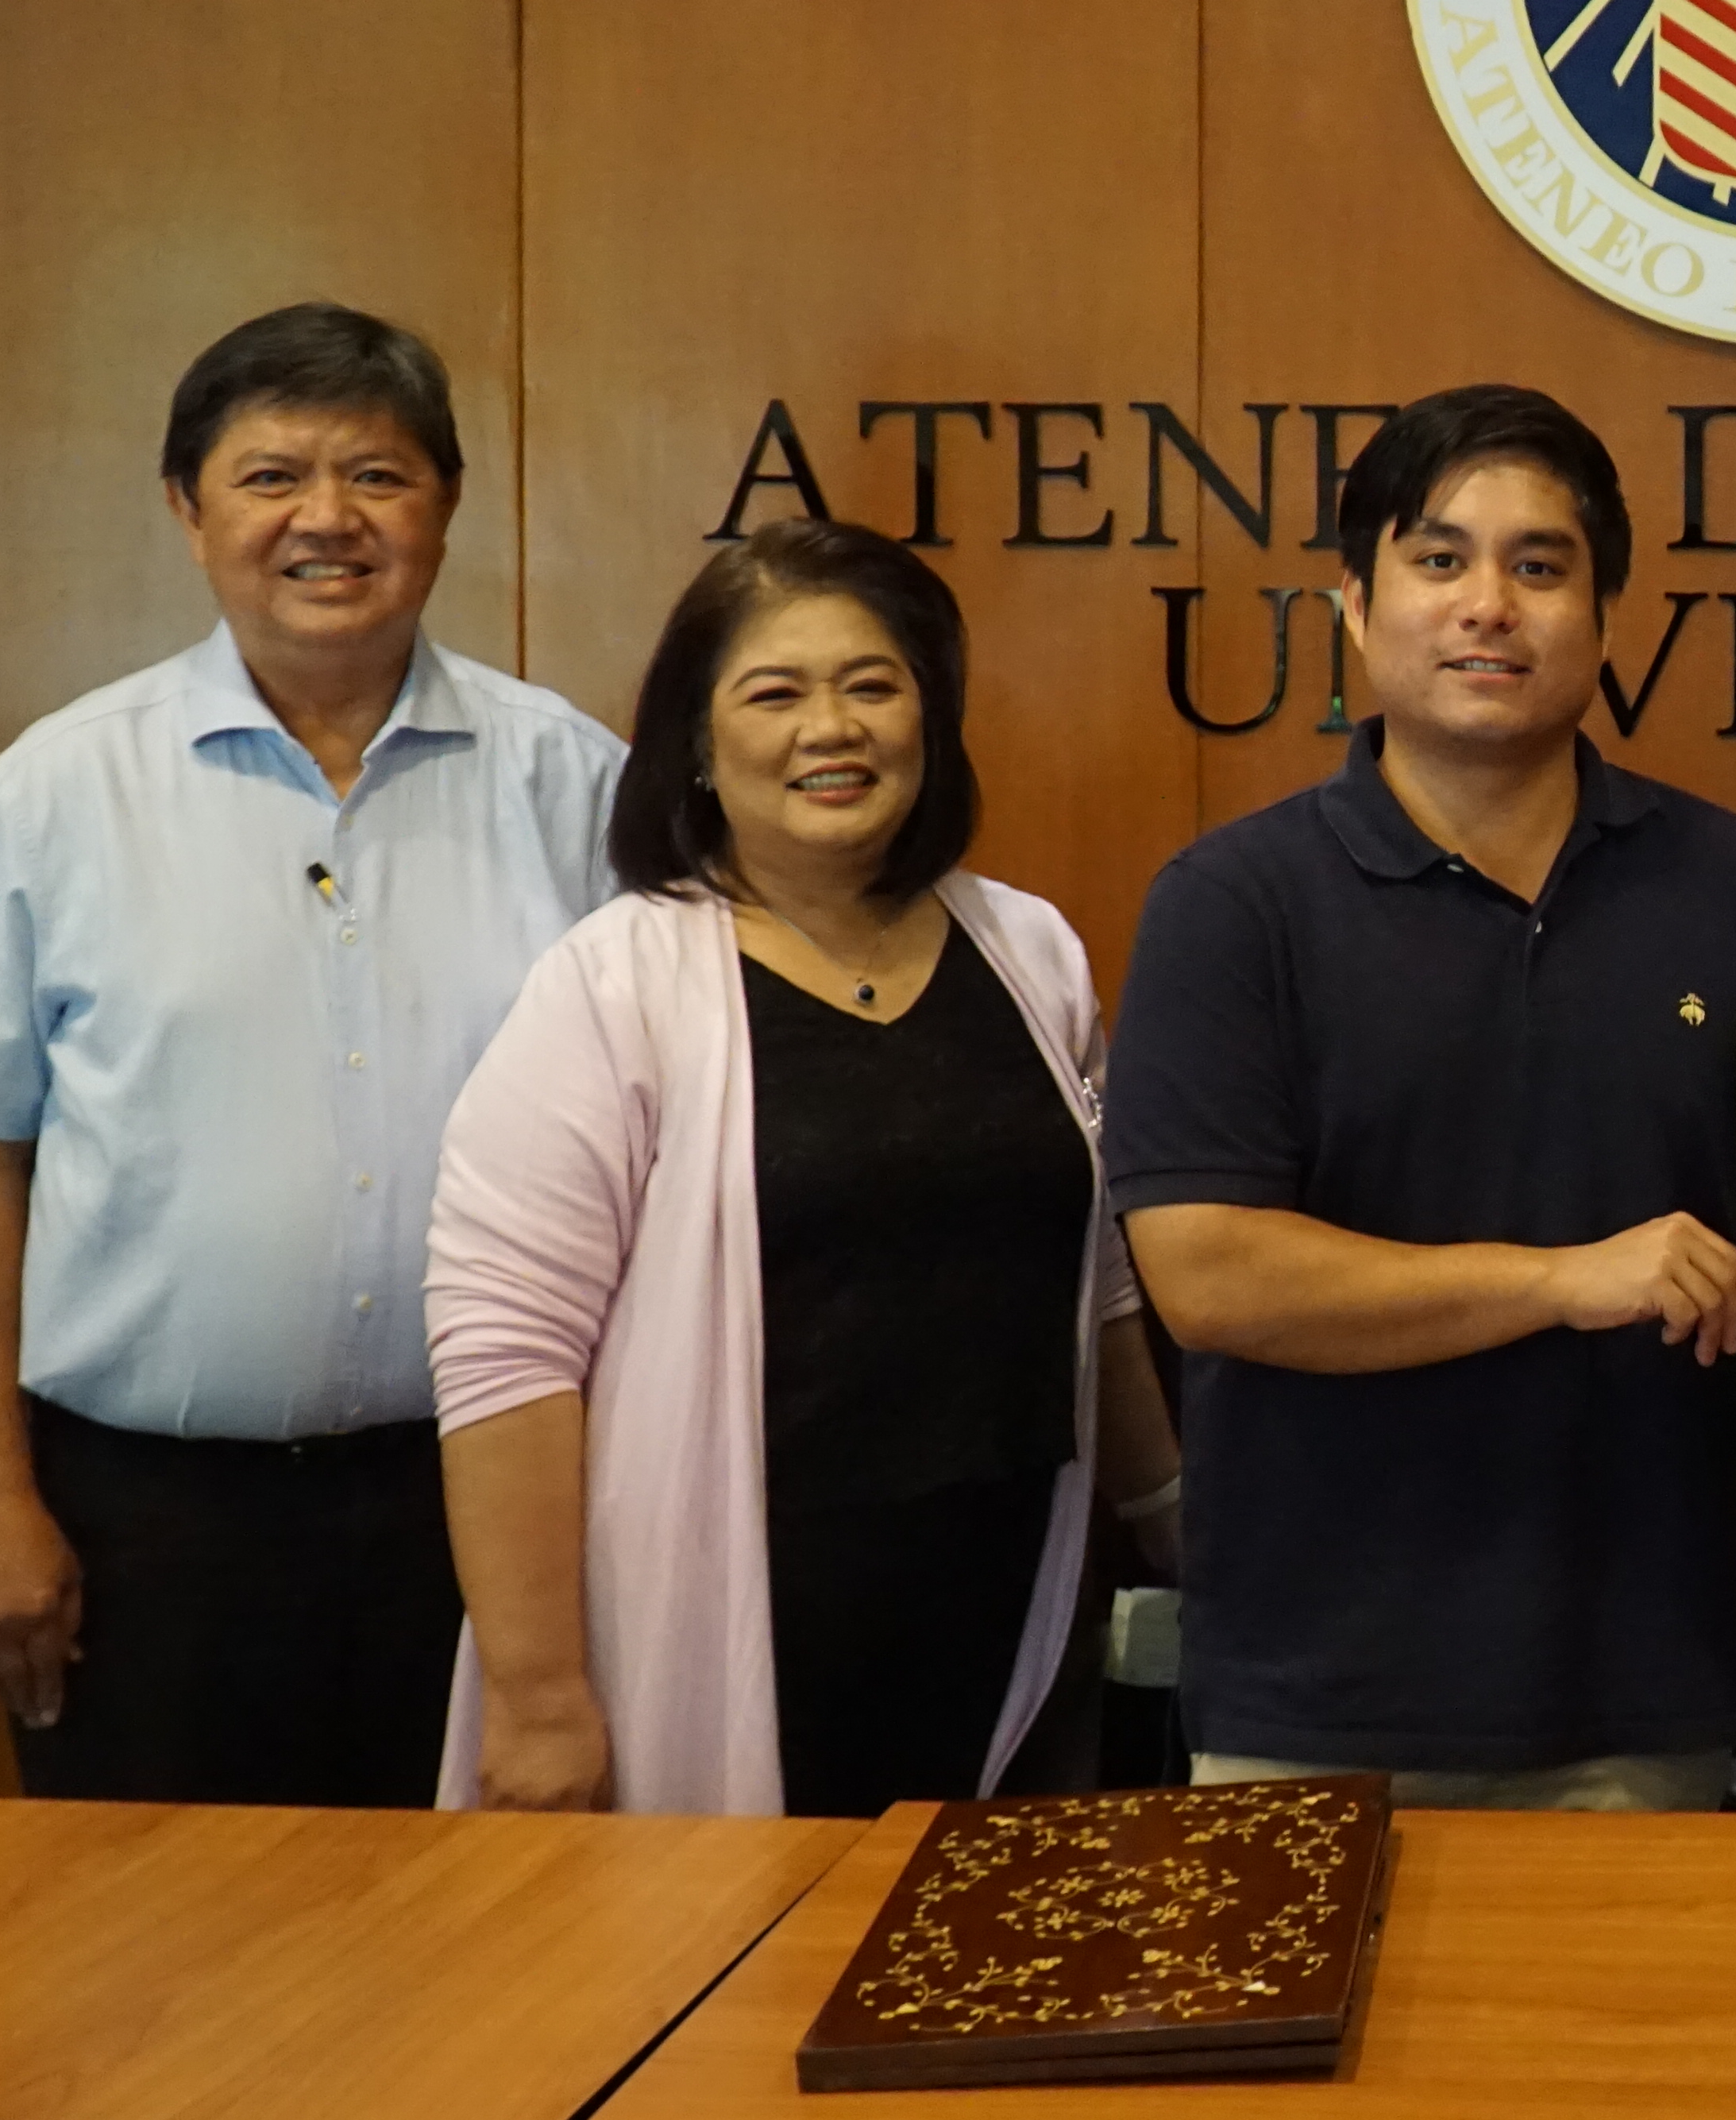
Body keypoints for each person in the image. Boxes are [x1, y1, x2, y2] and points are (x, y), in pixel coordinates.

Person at [0, 302, 619, 2120]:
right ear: (188, 513)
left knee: (440, 2022)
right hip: (145, 1518)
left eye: (376, 472)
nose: (326, 518)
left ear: (447, 508)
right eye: (272, 474)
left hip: (471, 1517)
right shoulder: (59, 788)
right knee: (150, 2040)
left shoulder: (570, 780)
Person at [1107, 386, 1736, 1809]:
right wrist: (1568, 1281)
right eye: (1439, 561)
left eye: (1540, 566)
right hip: (1317, 1704)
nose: (1488, 605)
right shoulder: (1232, 906)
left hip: (1650, 1690)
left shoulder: (1731, 887)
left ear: (1607, 618)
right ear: (1351, 606)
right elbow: (1211, 1277)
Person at [424, 519, 1180, 1820]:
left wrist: (1172, 1517)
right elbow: (506, 1356)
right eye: (774, 693)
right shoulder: (616, 984)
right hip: (735, 1608)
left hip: (997, 1593)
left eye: (872, 686)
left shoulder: (1028, 948)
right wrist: (539, 1698)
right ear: (699, 748)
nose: (831, 728)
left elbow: (1099, 1273)